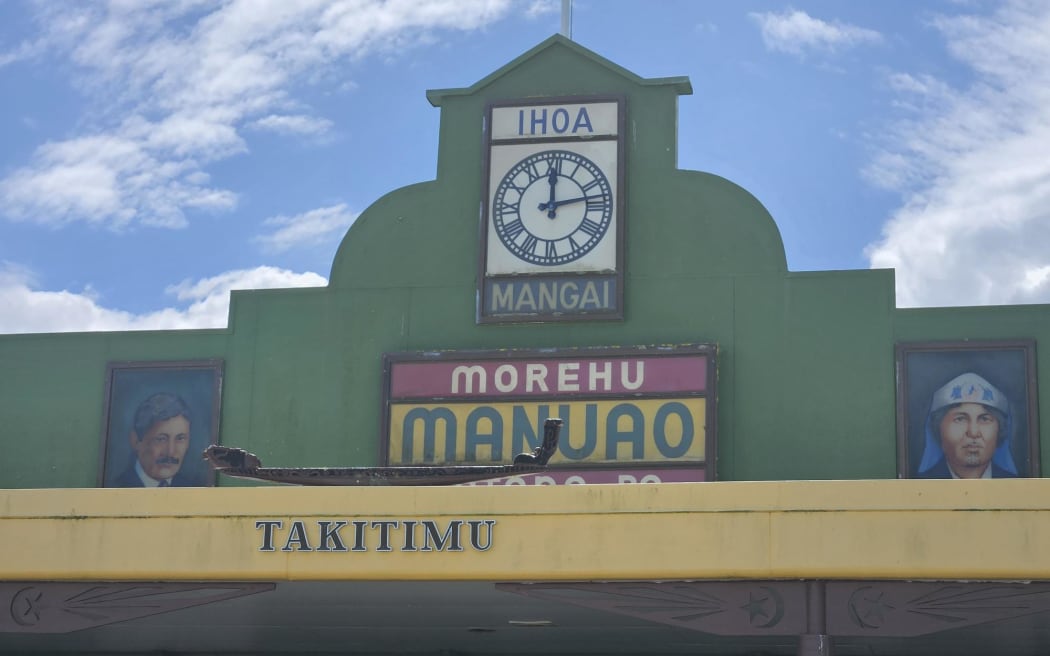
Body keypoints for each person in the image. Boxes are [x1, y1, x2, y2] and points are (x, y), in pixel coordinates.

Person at [916, 372, 1018, 479]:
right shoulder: (917, 487)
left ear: (1000, 429)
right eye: (960, 419)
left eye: (984, 419)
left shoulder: (1017, 488)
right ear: (938, 428)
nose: (973, 432)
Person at [114, 392, 202, 487]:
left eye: (180, 439)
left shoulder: (193, 489)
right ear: (136, 441)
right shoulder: (115, 488)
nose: (170, 452)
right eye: (161, 439)